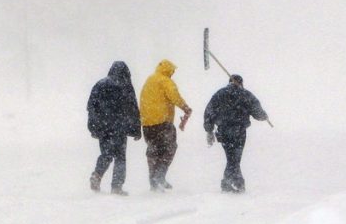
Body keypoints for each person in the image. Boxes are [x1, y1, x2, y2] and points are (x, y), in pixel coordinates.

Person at [203, 74, 269, 193]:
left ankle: (230, 183)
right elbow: (257, 112)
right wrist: (264, 116)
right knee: (234, 158)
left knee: (231, 157)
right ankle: (235, 183)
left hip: (223, 131)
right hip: (239, 131)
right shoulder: (246, 95)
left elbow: (209, 111)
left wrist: (209, 129)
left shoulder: (220, 94)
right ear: (241, 83)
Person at [87, 61, 142, 195]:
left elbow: (91, 107)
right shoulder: (125, 86)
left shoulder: (100, 84)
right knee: (120, 157)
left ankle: (97, 174)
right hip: (119, 127)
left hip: (103, 127)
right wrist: (136, 129)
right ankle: (116, 187)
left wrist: (93, 127)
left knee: (106, 153)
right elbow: (132, 108)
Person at [139, 59, 192, 192]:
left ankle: (153, 182)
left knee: (153, 151)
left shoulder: (149, 80)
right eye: (172, 71)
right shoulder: (165, 81)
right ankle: (160, 176)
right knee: (169, 148)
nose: (173, 73)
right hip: (162, 122)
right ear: (168, 70)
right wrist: (185, 107)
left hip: (147, 123)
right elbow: (174, 96)